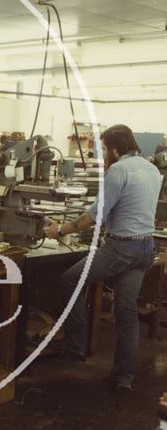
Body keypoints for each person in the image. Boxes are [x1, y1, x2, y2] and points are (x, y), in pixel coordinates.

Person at [44, 125, 161, 393]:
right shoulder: (151, 169)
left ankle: (75, 346)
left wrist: (60, 229)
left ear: (115, 148)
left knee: (70, 280)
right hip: (145, 248)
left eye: (105, 149)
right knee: (126, 312)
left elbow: (92, 217)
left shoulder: (118, 171)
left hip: (121, 248)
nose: (103, 154)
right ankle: (123, 377)